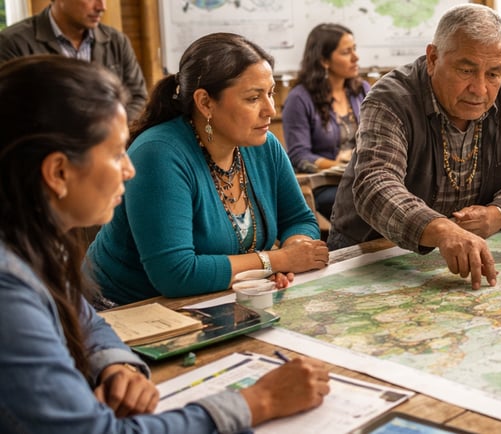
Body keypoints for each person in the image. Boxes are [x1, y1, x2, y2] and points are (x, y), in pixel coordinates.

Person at [0, 55, 330, 433]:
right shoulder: (8, 291)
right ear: (58, 172)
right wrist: (259, 401)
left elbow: (80, 316)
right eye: (116, 153)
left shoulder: (35, 242)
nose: (129, 168)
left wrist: (113, 363)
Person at [87, 33, 329, 306]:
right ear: (205, 103)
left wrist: (295, 246)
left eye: (271, 93)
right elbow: (176, 273)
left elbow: (299, 219)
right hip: (125, 310)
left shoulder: (263, 144)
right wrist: (277, 261)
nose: (270, 110)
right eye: (253, 98)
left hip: (216, 301)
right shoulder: (158, 154)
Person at [327, 4, 501, 290]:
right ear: (433, 58)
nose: (480, 89)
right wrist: (442, 229)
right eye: (466, 70)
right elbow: (376, 185)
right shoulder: (391, 99)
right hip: (372, 251)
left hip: (463, 253)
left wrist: (498, 214)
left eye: (493, 73)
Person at [0, 0, 147, 122]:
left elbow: (138, 98)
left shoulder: (117, 41)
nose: (102, 7)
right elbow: (12, 113)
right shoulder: (12, 43)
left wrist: (104, 134)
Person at [282, 23, 371, 218]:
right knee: (367, 203)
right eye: (346, 52)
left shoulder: (362, 90)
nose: (356, 57)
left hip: (364, 176)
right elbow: (299, 155)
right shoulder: (299, 99)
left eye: (354, 49)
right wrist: (339, 165)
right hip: (327, 183)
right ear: (324, 60)